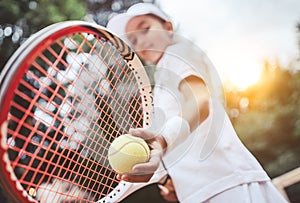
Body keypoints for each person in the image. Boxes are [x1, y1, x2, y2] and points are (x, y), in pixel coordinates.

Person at [106, 3, 287, 203]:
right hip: (202, 192)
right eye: (133, 39)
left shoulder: (178, 53)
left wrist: (163, 139)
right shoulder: (161, 84)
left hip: (226, 183)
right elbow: (179, 140)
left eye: (145, 28)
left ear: (168, 27)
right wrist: (171, 180)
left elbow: (200, 102)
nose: (140, 42)